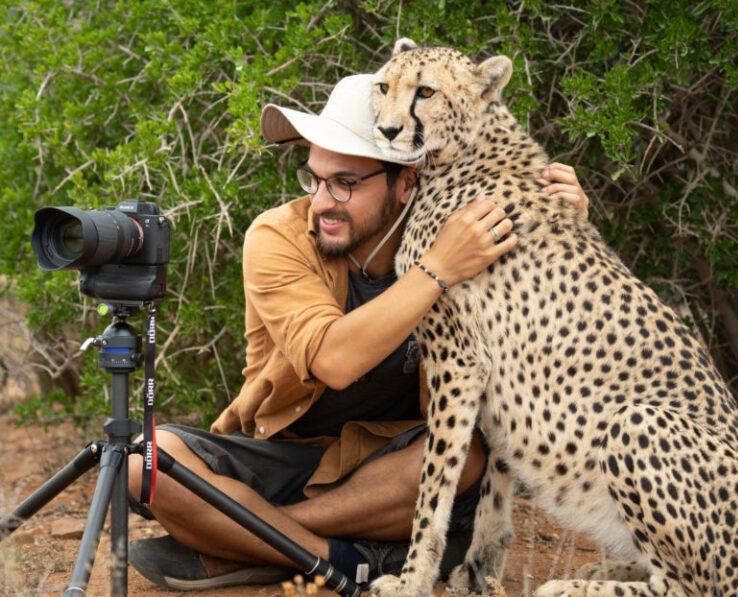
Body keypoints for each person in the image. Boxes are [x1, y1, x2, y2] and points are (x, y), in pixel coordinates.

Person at [126, 74, 589, 590]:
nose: (323, 201)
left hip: (397, 467)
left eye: (346, 182)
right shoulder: (278, 235)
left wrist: (558, 230)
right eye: (314, 179)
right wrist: (437, 270)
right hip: (288, 451)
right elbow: (334, 361)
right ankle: (341, 559)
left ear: (405, 183)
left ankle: (242, 539)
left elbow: (542, 355)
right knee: (142, 460)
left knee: (466, 455)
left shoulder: (459, 233)